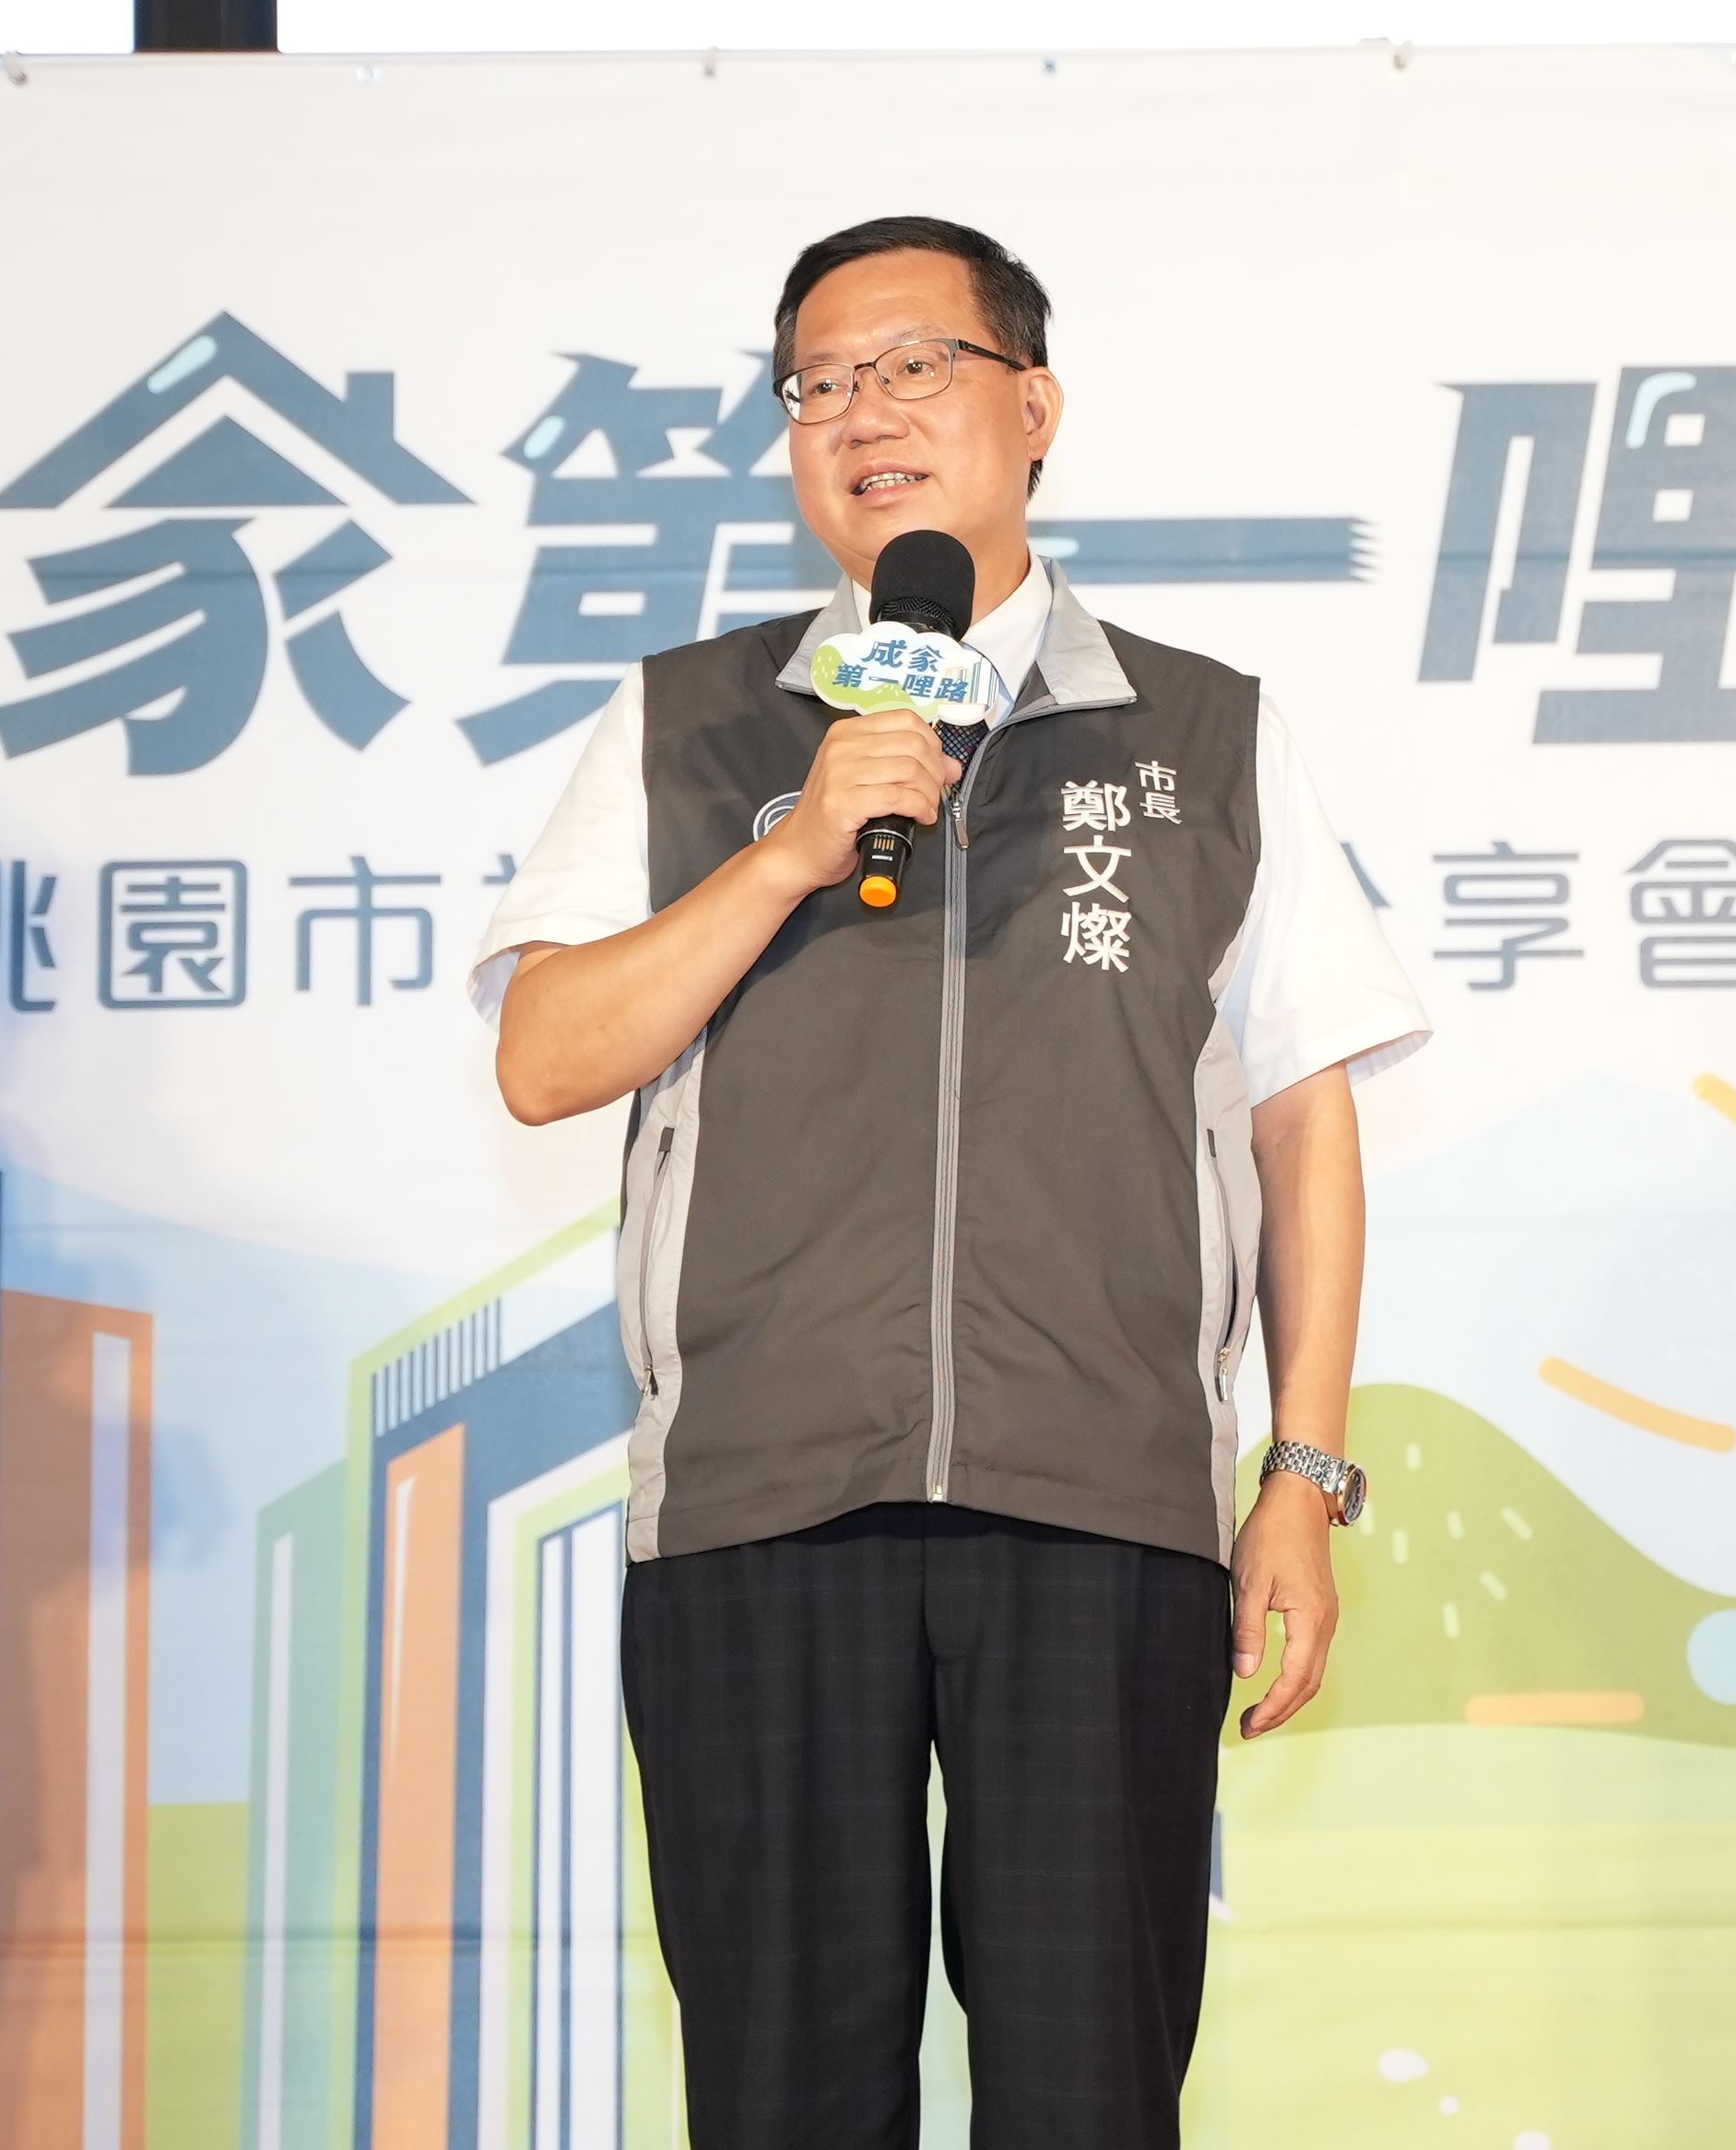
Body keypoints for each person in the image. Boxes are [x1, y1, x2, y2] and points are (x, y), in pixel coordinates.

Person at [478, 217, 1425, 2147]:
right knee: (782, 2096)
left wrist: (1302, 1476)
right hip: (759, 1505)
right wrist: (787, 848)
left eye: (915, 365)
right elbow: (545, 1056)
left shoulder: (1204, 729)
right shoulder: (690, 721)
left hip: (1098, 1510)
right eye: (819, 384)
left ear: (1034, 405)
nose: (863, 415)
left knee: (1088, 2090)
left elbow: (1299, 1116)